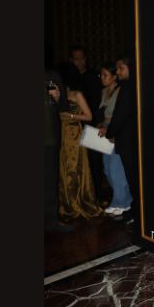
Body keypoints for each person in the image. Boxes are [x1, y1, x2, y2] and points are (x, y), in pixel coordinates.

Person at [58, 65, 103, 221]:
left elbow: (89, 116)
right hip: (61, 135)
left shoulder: (77, 94)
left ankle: (77, 203)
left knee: (74, 169)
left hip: (74, 134)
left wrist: (71, 116)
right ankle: (66, 203)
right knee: (63, 169)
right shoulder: (57, 94)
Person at [68, 44, 107, 204]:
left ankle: (97, 196)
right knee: (76, 164)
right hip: (73, 128)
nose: (79, 62)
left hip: (93, 125)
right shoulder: (68, 77)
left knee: (95, 163)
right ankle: (79, 198)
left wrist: (99, 122)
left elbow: (102, 102)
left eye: (82, 58)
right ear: (71, 60)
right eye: (76, 59)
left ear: (86, 59)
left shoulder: (94, 77)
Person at [95, 62, 133, 217]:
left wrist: (111, 131)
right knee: (107, 169)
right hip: (104, 131)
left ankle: (122, 202)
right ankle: (122, 200)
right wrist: (100, 124)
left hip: (115, 132)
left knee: (116, 170)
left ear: (114, 77)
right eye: (101, 75)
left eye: (105, 75)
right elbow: (102, 113)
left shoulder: (121, 90)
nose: (102, 78)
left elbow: (120, 116)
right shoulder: (104, 91)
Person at [104, 55, 138, 225]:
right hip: (134, 140)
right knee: (133, 177)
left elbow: (120, 114)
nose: (117, 72)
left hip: (127, 141)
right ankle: (135, 210)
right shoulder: (136, 85)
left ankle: (136, 212)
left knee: (132, 177)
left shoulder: (127, 87)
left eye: (121, 68)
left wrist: (110, 132)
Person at [44, 69, 73, 234]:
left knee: (49, 182)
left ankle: (51, 221)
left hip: (48, 140)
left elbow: (64, 107)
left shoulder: (52, 76)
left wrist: (58, 97)